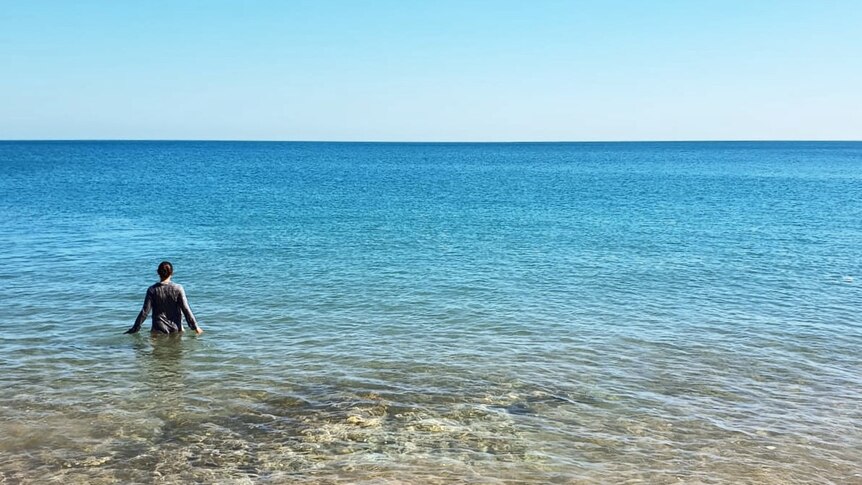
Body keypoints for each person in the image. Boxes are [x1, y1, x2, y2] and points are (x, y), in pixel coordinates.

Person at [125, 261, 204, 335]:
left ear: (158, 272)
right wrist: (195, 327)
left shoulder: (152, 289)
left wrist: (135, 328)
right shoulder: (178, 288)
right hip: (176, 328)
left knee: (158, 349)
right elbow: (186, 309)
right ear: (172, 273)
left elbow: (145, 312)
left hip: (158, 329)